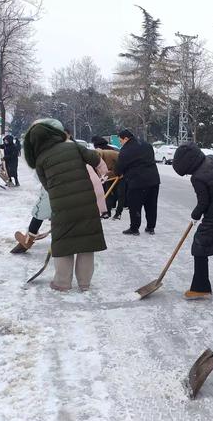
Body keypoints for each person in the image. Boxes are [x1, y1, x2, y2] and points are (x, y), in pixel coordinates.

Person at [23, 118, 107, 292]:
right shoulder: (73, 146)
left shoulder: (41, 160)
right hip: (86, 204)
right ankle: (84, 284)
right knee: (86, 243)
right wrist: (102, 173)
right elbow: (96, 160)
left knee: (63, 244)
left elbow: (47, 186)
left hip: (62, 207)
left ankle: (62, 283)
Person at [173, 143, 213, 300]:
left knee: (199, 246)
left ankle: (200, 287)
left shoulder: (197, 178)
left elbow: (204, 202)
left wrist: (195, 216)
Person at [114, 129, 160, 235]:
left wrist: (118, 173)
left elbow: (119, 168)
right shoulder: (146, 145)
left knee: (135, 206)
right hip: (153, 180)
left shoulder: (125, 150)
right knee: (151, 205)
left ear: (126, 138)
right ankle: (150, 227)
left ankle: (134, 228)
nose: (121, 143)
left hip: (137, 182)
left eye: (120, 141)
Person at [92, 135, 124, 220]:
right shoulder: (97, 159)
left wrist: (115, 172)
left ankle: (118, 213)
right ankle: (106, 212)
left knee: (120, 194)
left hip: (121, 175)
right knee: (107, 193)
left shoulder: (111, 154)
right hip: (110, 175)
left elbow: (121, 163)